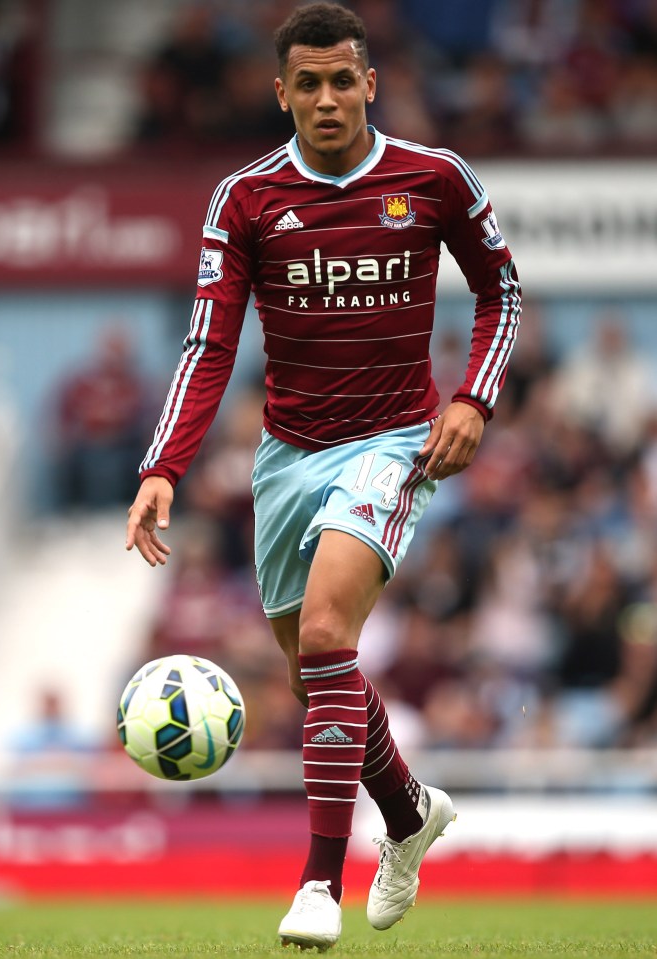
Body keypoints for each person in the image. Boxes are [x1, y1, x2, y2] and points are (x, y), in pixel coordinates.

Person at [125, 3, 521, 949]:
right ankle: (412, 811)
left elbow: (502, 291)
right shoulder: (245, 198)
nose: (329, 98)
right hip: (287, 455)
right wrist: (164, 467)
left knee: (330, 630)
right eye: (308, 83)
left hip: (393, 443)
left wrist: (472, 399)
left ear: (369, 83)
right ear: (281, 93)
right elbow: (210, 342)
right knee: (316, 669)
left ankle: (315, 882)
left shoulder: (432, 178)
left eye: (344, 79)